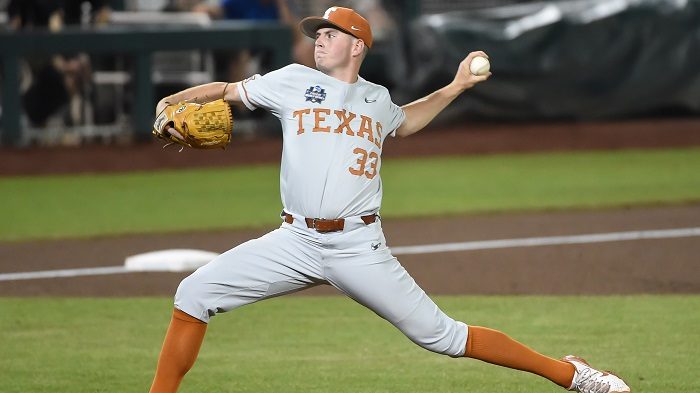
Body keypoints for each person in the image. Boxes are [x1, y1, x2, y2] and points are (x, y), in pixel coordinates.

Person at [149, 6, 631, 393]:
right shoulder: (291, 81)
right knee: (193, 294)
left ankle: (573, 375)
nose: (319, 39)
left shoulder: (376, 99)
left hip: (359, 247)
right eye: (317, 33)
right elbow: (227, 90)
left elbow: (407, 120)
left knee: (443, 336)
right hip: (293, 240)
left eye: (330, 34)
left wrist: (456, 87)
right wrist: (172, 102)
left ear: (356, 45)